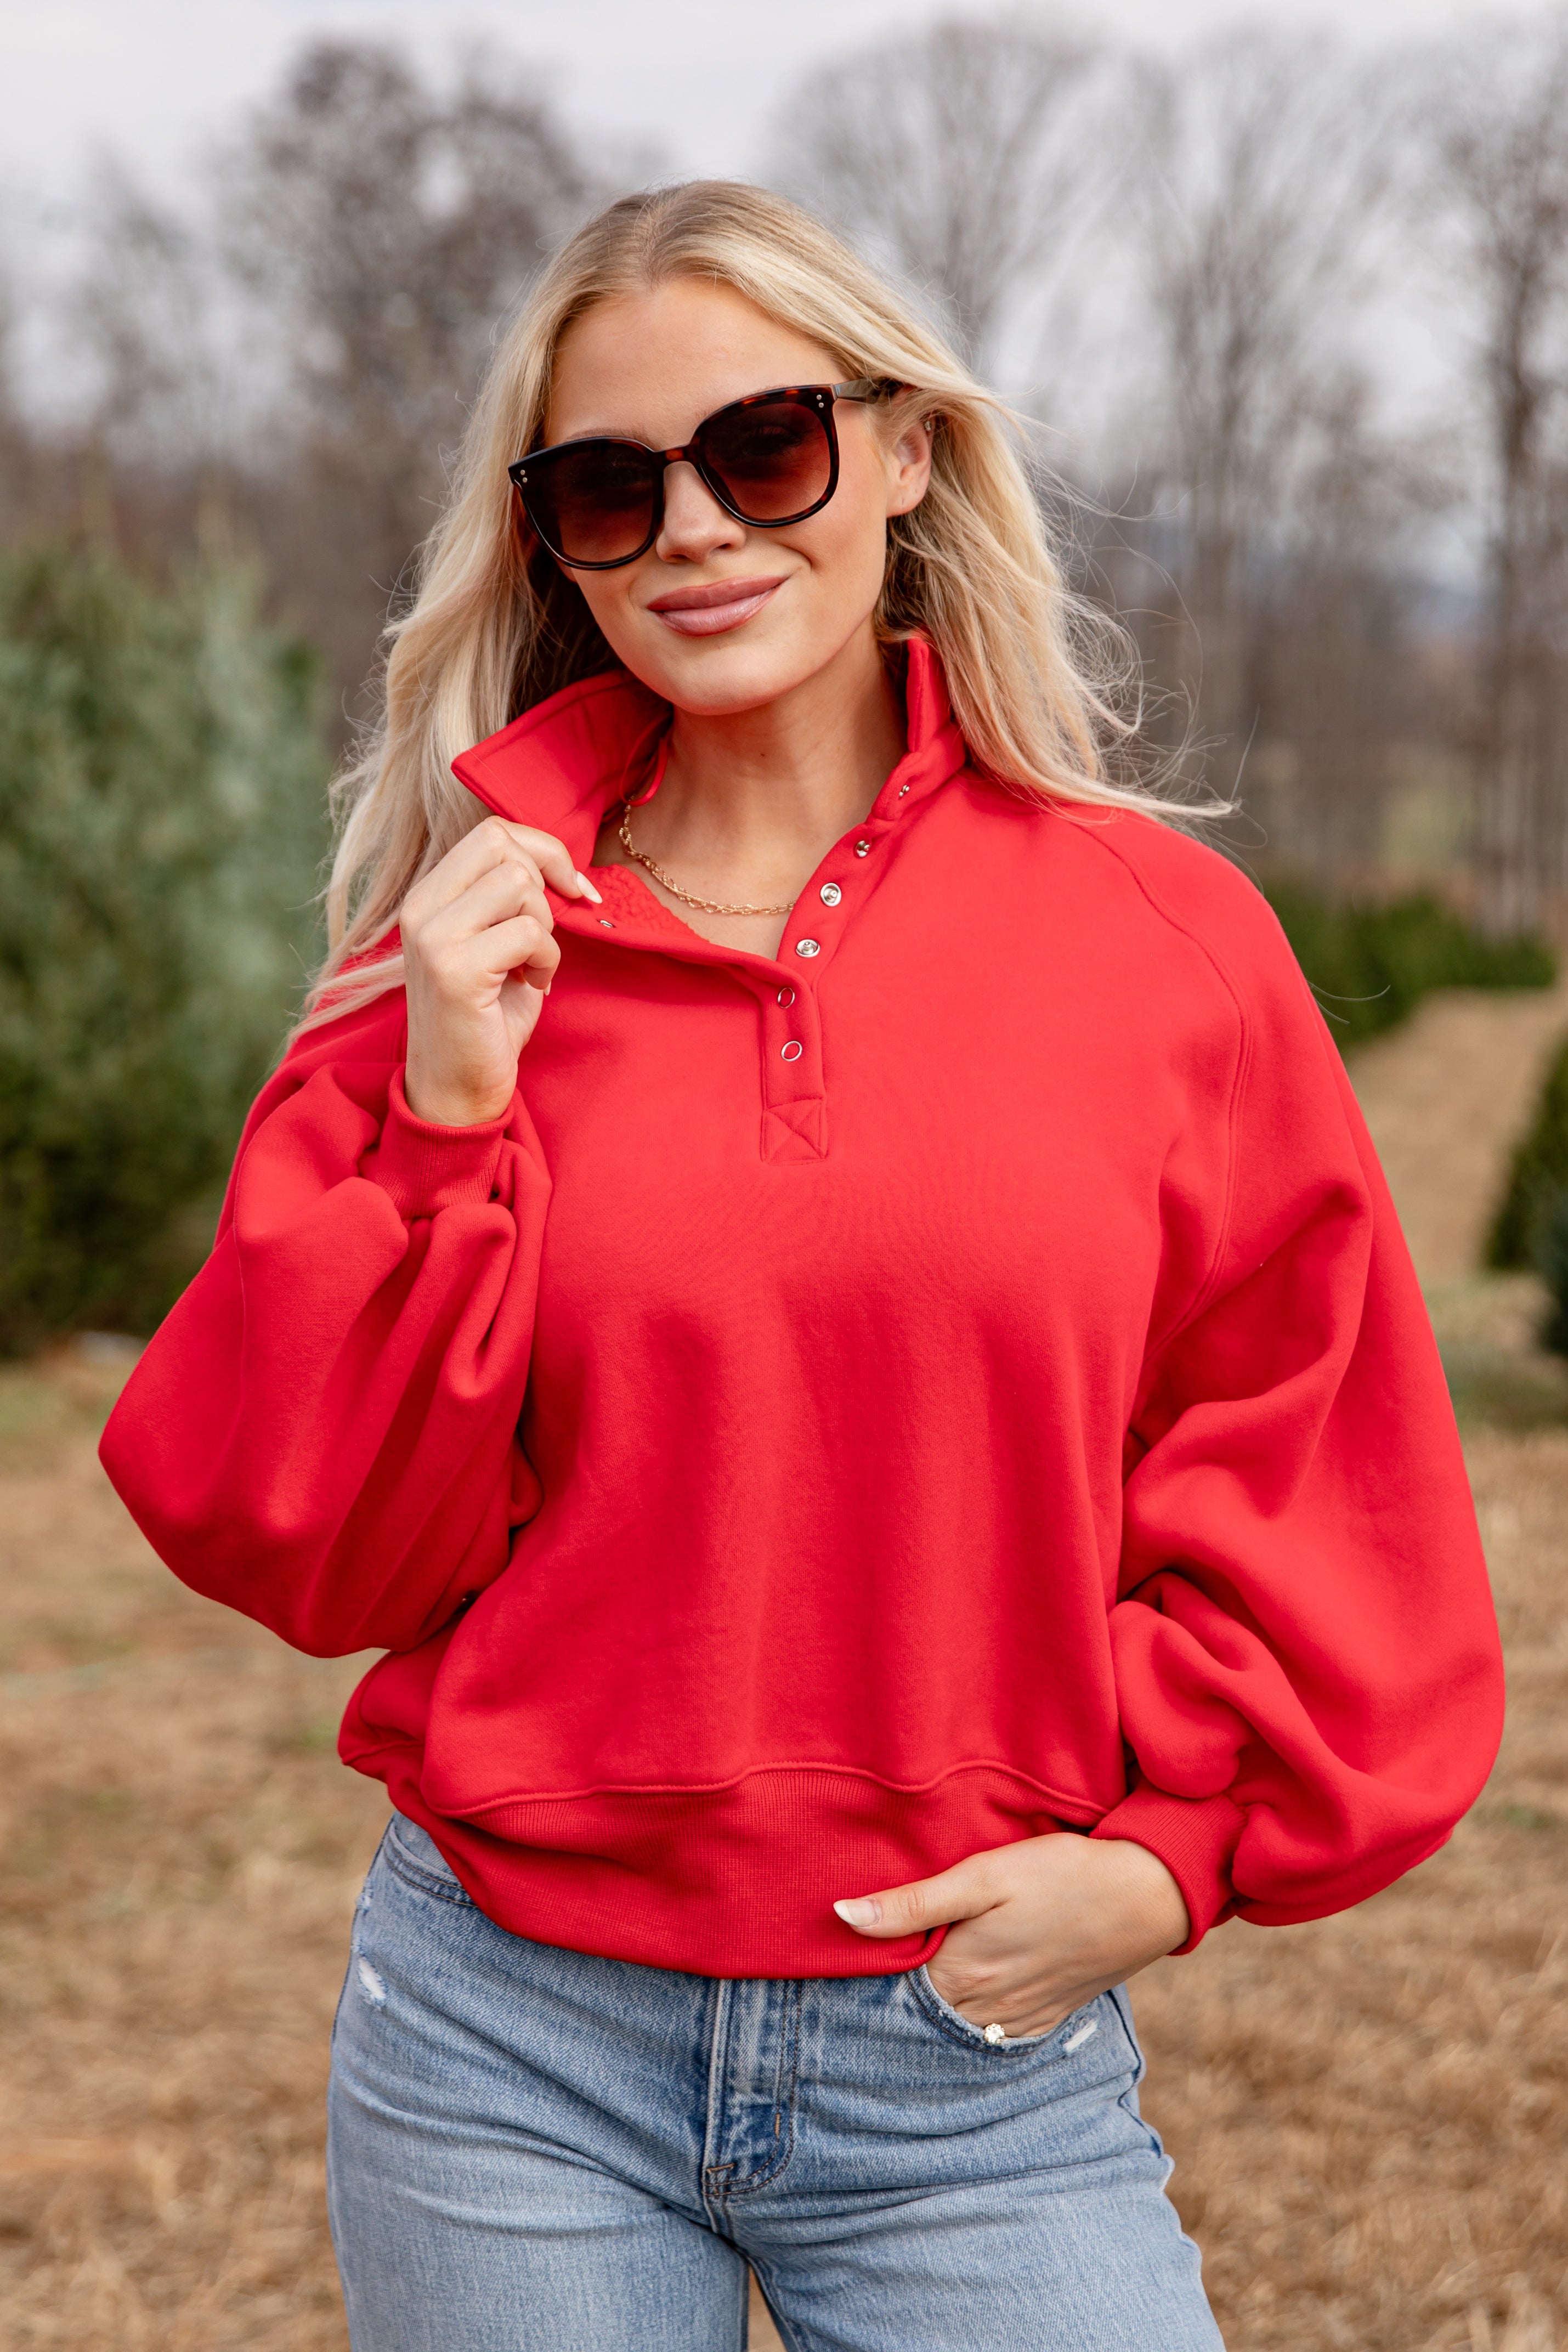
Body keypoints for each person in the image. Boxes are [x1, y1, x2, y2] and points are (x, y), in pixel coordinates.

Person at [101, 181, 1503, 2352]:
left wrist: (1171, 1860)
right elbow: (307, 1535)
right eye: (607, 484)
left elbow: (1319, 1455)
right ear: (548, 541)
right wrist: (445, 1108)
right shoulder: (457, 956)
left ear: (906, 448)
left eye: (764, 446)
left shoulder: (1159, 945)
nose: (693, 528)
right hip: (508, 2046)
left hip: (969, 2059)